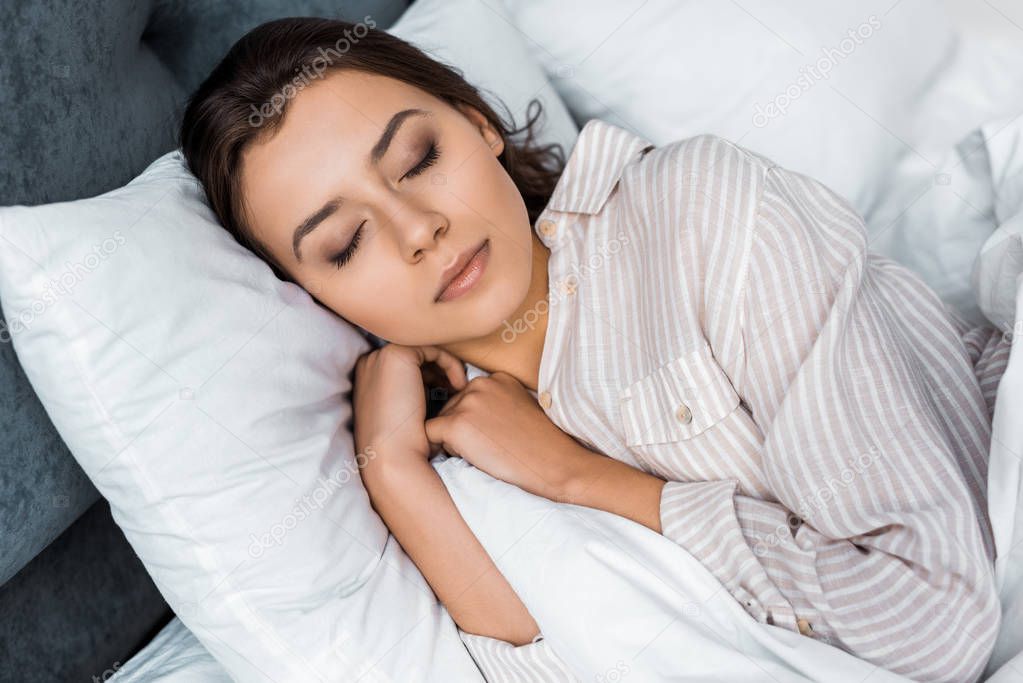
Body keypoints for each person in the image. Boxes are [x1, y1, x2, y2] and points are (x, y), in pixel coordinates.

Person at [179, 17, 1011, 683]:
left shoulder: (696, 211)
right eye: (346, 242)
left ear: (477, 123)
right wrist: (395, 474)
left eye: (418, 158)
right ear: (316, 300)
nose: (417, 231)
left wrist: (580, 478)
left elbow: (934, 622)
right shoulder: (455, 470)